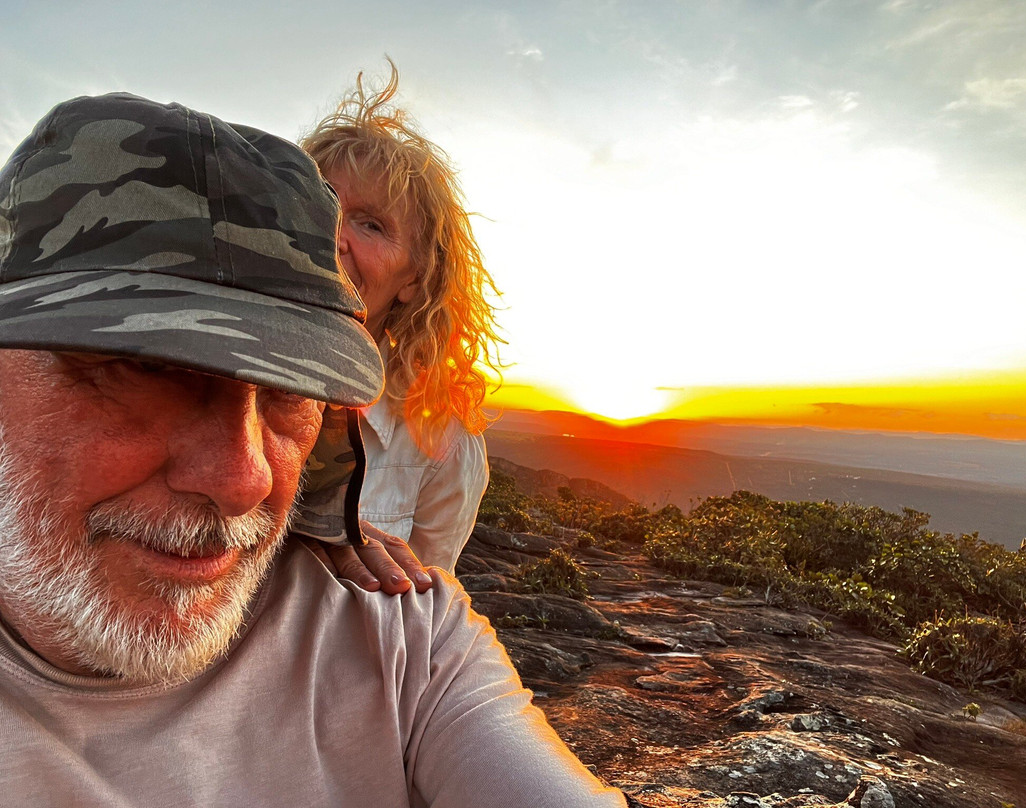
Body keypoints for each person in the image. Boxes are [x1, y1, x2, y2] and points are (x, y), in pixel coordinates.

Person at [0, 92, 624, 807]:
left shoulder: (403, 636)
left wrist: (372, 581)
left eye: (292, 392)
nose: (245, 479)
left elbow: (423, 590)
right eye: (144, 367)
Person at [298, 65, 499, 575]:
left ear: (413, 279)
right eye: (317, 205)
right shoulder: (200, 370)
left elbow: (424, 611)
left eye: (371, 224)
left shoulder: (439, 439)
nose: (334, 236)